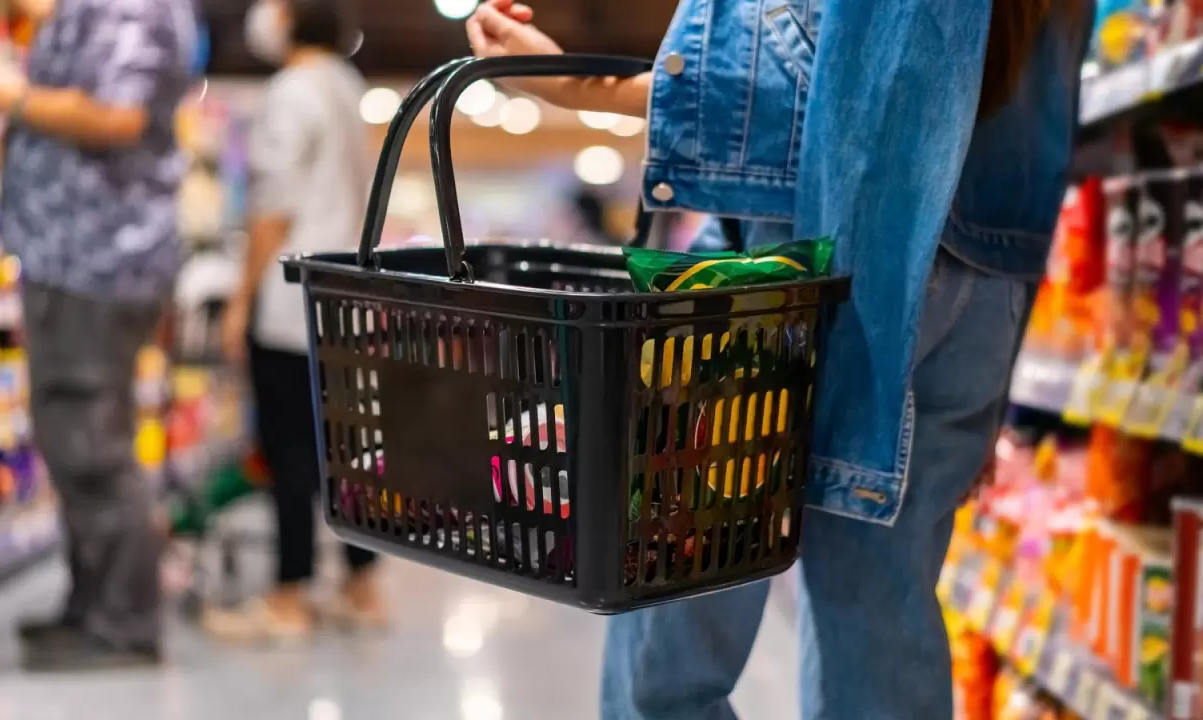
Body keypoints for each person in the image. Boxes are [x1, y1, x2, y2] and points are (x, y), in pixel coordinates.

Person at [466, 0, 1091, 717]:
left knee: (671, 644)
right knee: (880, 618)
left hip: (790, 263)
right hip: (980, 283)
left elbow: (822, 82)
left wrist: (575, 85)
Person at [0, 0, 196, 670]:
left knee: (90, 441)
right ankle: (93, 607)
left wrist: (14, 95)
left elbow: (119, 114)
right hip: (81, 257)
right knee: (76, 437)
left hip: (96, 260)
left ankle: (122, 622)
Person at [213, 0, 385, 642]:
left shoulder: (291, 90)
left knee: (287, 451)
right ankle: (362, 586)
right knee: (345, 448)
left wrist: (240, 299)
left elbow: (274, 207)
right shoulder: (347, 85)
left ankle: (288, 596)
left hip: (292, 298)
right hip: (346, 300)